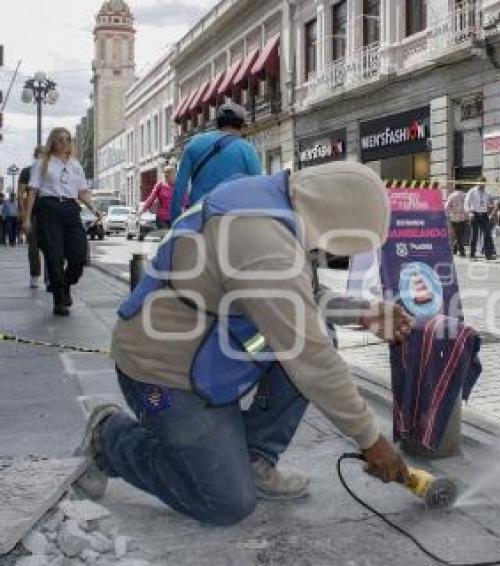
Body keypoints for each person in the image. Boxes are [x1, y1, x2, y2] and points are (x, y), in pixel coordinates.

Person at [73, 162, 412, 526]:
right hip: (161, 369)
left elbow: (299, 294)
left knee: (317, 336)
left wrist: (363, 311)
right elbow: (310, 355)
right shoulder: (262, 241)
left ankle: (254, 457)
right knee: (225, 501)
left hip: (206, 346)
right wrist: (370, 439)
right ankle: (109, 438)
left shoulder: (272, 202)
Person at [22, 128, 101, 316]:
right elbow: (32, 191)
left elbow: (82, 192)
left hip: (71, 210)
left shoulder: (75, 165)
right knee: (54, 255)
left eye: (67, 139)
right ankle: (59, 300)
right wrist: (26, 218)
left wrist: (94, 209)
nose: (64, 143)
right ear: (53, 142)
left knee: (79, 255)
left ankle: (64, 285)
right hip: (48, 209)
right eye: (59, 140)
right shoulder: (42, 163)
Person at [170, 102, 262, 221]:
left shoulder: (193, 145)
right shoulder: (247, 149)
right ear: (242, 126)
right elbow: (258, 189)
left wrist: (175, 221)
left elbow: (179, 189)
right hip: (234, 219)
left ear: (218, 123)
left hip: (200, 216)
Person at [19, 147, 45, 288]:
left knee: (52, 247)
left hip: (48, 213)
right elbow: (21, 193)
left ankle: (51, 277)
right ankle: (35, 275)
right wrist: (23, 212)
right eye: (40, 154)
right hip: (32, 213)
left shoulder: (50, 171)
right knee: (33, 247)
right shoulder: (27, 171)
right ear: (35, 156)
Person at [140, 165, 182, 229]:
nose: (167, 175)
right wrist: (143, 210)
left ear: (175, 174)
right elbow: (151, 198)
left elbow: (185, 200)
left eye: (170, 173)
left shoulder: (179, 186)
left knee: (174, 237)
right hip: (162, 218)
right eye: (166, 173)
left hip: (175, 217)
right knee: (165, 235)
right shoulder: (160, 185)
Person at [464, 177, 495, 260]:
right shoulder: (472, 192)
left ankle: (488, 254)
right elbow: (466, 203)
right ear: (477, 182)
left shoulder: (487, 193)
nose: (482, 185)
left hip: (484, 215)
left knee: (487, 234)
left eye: (484, 184)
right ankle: (472, 254)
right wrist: (469, 213)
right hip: (475, 214)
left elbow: (489, 203)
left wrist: (490, 207)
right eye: (481, 183)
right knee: (474, 235)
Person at [444, 185, 468, 256]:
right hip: (464, 217)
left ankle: (455, 247)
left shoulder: (451, 196)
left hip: (454, 218)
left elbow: (446, 207)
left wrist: (448, 214)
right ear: (461, 188)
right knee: (460, 235)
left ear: (455, 188)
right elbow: (468, 205)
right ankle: (461, 250)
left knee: (458, 235)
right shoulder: (465, 195)